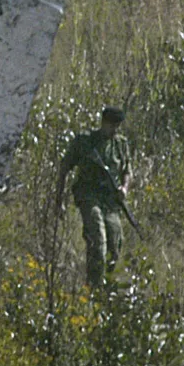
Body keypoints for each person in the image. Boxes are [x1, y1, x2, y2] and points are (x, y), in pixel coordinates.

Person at [56, 106, 134, 286]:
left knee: (115, 243)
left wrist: (124, 188)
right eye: (112, 125)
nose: (115, 130)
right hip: (88, 195)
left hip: (110, 200)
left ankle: (106, 288)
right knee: (98, 241)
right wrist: (59, 200)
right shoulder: (84, 142)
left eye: (118, 126)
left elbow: (127, 171)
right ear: (103, 123)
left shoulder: (120, 145)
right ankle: (94, 287)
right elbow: (64, 168)